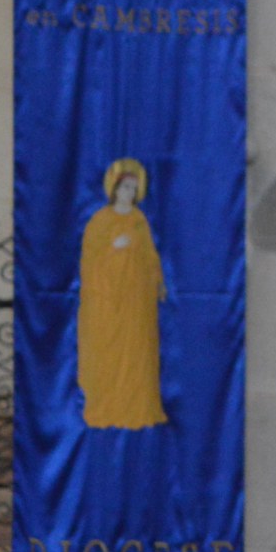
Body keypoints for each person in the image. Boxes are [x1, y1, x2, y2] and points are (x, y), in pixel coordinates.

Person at [78, 157, 167, 429]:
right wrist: (113, 248)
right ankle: (109, 406)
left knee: (136, 353)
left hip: (136, 301)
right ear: (114, 190)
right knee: (110, 354)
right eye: (124, 188)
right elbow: (89, 262)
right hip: (108, 302)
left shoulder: (140, 220)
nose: (128, 193)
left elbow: (150, 257)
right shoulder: (100, 221)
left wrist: (157, 281)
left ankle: (136, 407)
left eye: (133, 188)